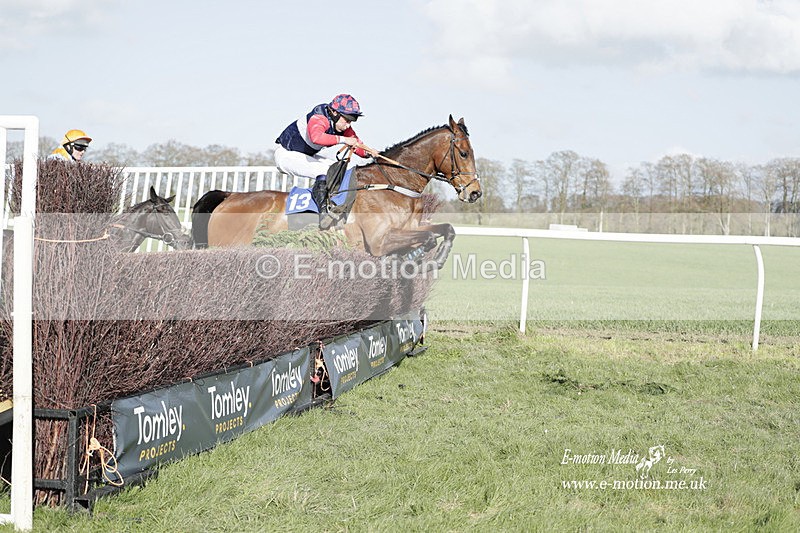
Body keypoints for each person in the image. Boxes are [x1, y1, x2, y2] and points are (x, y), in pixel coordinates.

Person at [274, 94, 379, 221]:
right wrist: (344, 139)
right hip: (286, 155)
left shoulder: (341, 124)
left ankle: (334, 205)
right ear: (334, 112)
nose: (348, 125)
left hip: (304, 155)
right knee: (325, 171)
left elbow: (356, 143)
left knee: (337, 170)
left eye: (351, 121)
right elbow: (316, 137)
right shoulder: (319, 117)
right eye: (347, 119)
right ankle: (323, 213)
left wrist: (369, 152)